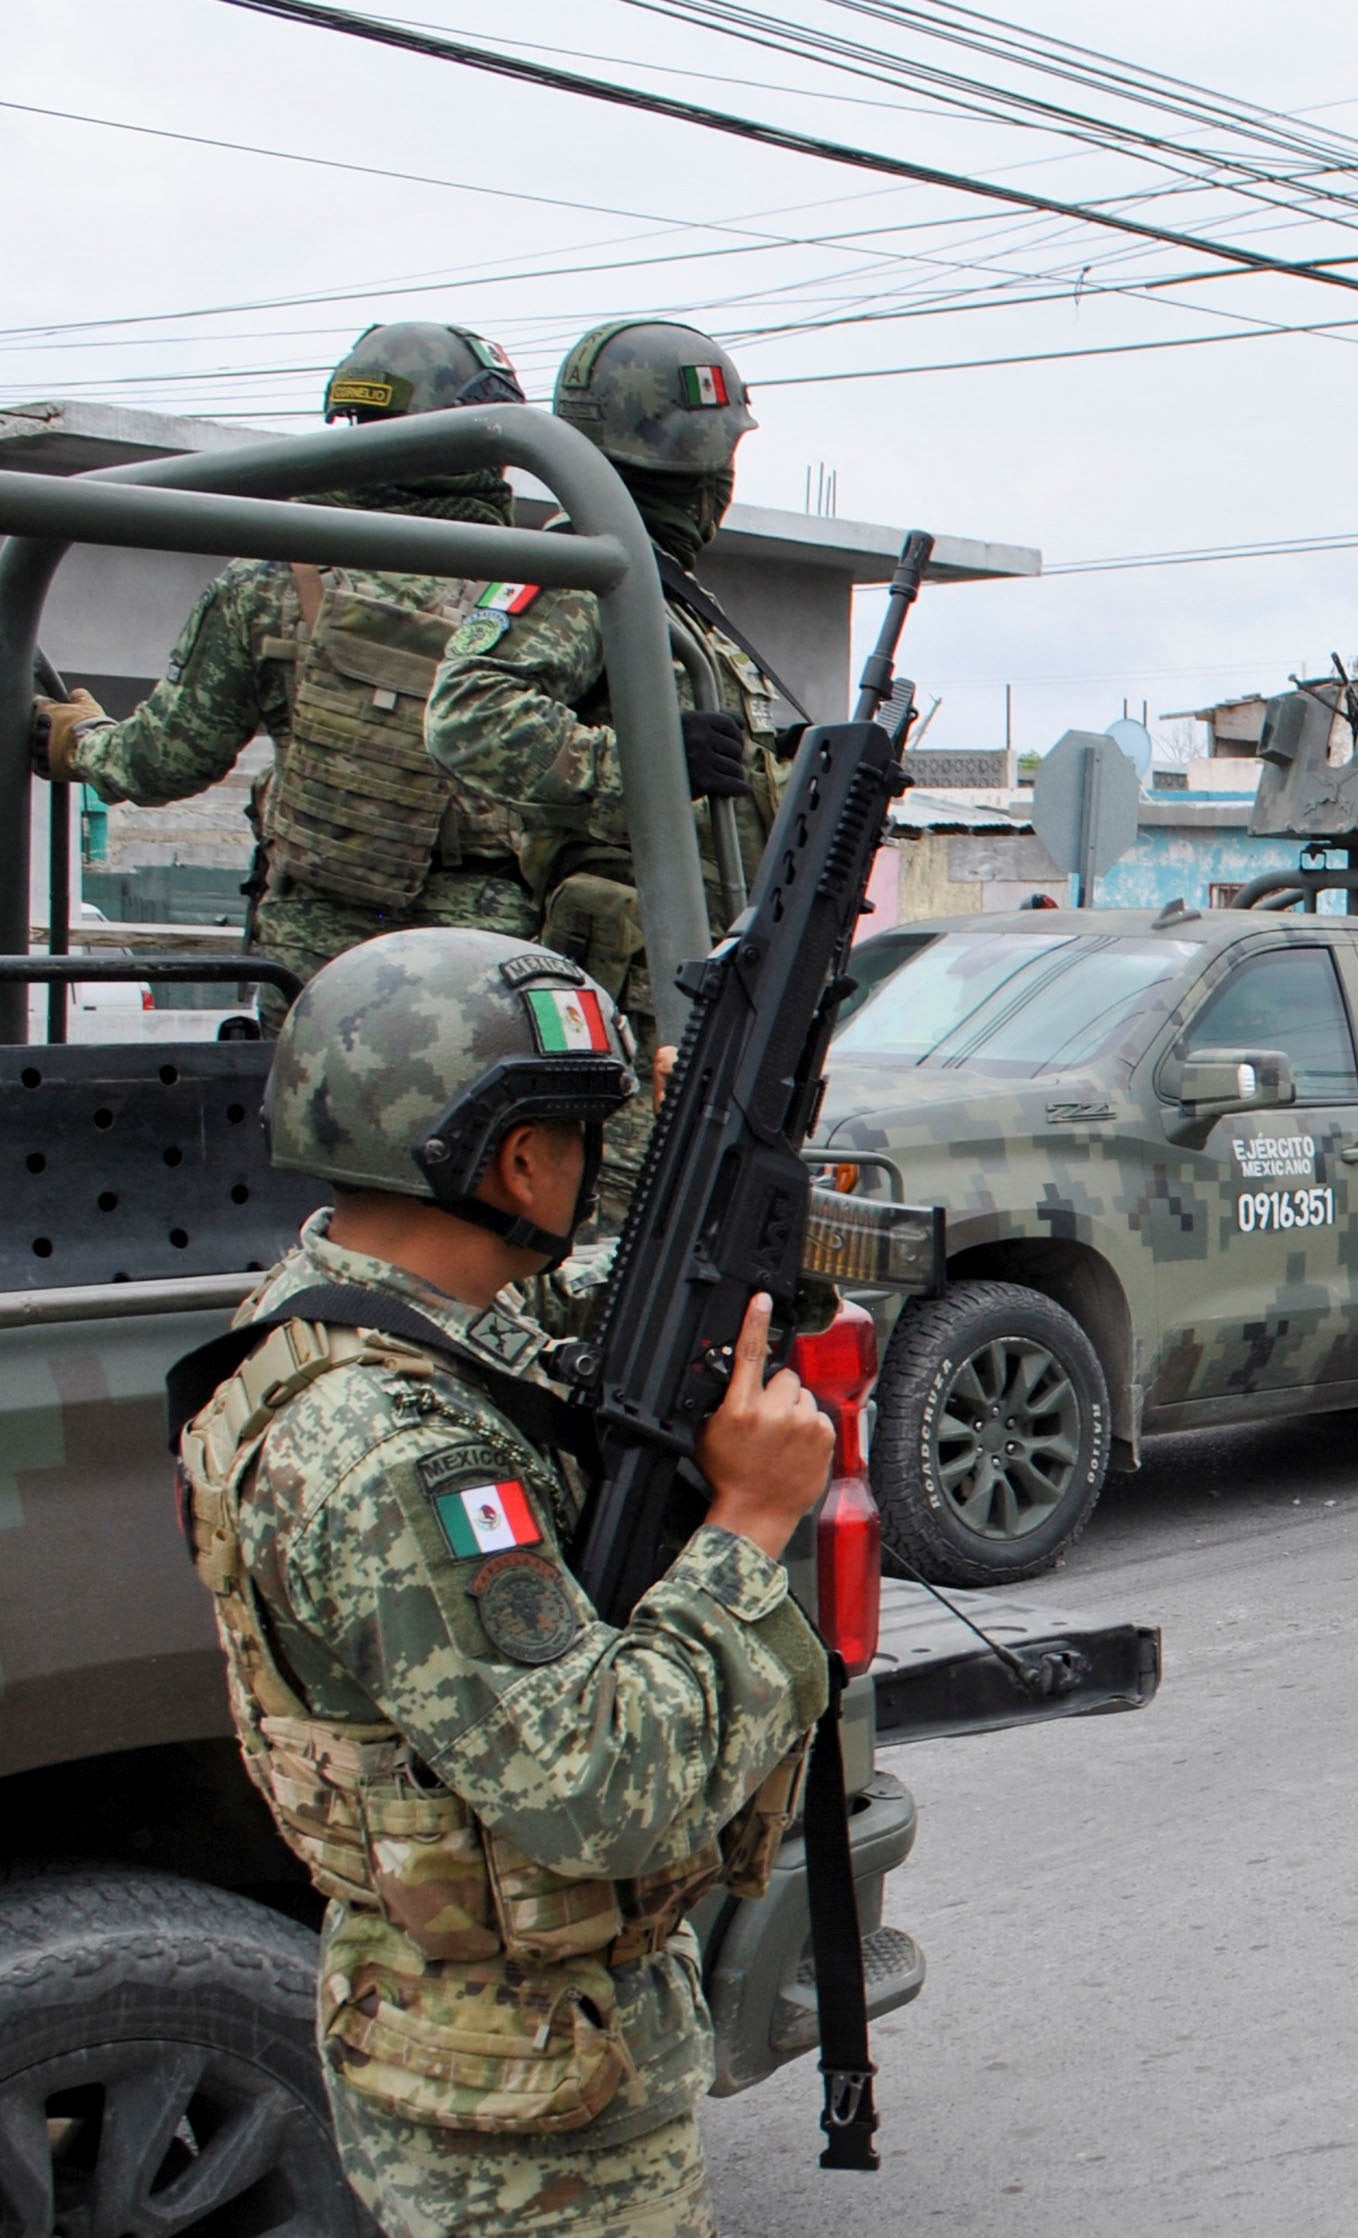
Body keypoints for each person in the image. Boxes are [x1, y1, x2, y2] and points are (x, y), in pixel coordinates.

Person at [172, 928, 832, 2237]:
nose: (586, 1171)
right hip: (529, 2115)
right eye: (577, 1140)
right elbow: (601, 1790)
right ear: (519, 1161)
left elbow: (565, 1314)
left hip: (503, 2035)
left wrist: (676, 1150)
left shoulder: (342, 1304)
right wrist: (752, 1518)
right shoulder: (394, 1453)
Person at [30, 323, 540, 1023]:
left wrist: (76, 740)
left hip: (322, 965)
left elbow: (165, 760)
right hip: (497, 957)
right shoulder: (546, 589)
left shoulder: (273, 577)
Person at [428, 318, 800, 1207]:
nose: (719, 487)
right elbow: (467, 715)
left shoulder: (663, 584)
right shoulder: (580, 570)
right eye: (706, 467)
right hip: (627, 986)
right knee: (626, 1228)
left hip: (695, 975)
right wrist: (644, 765)